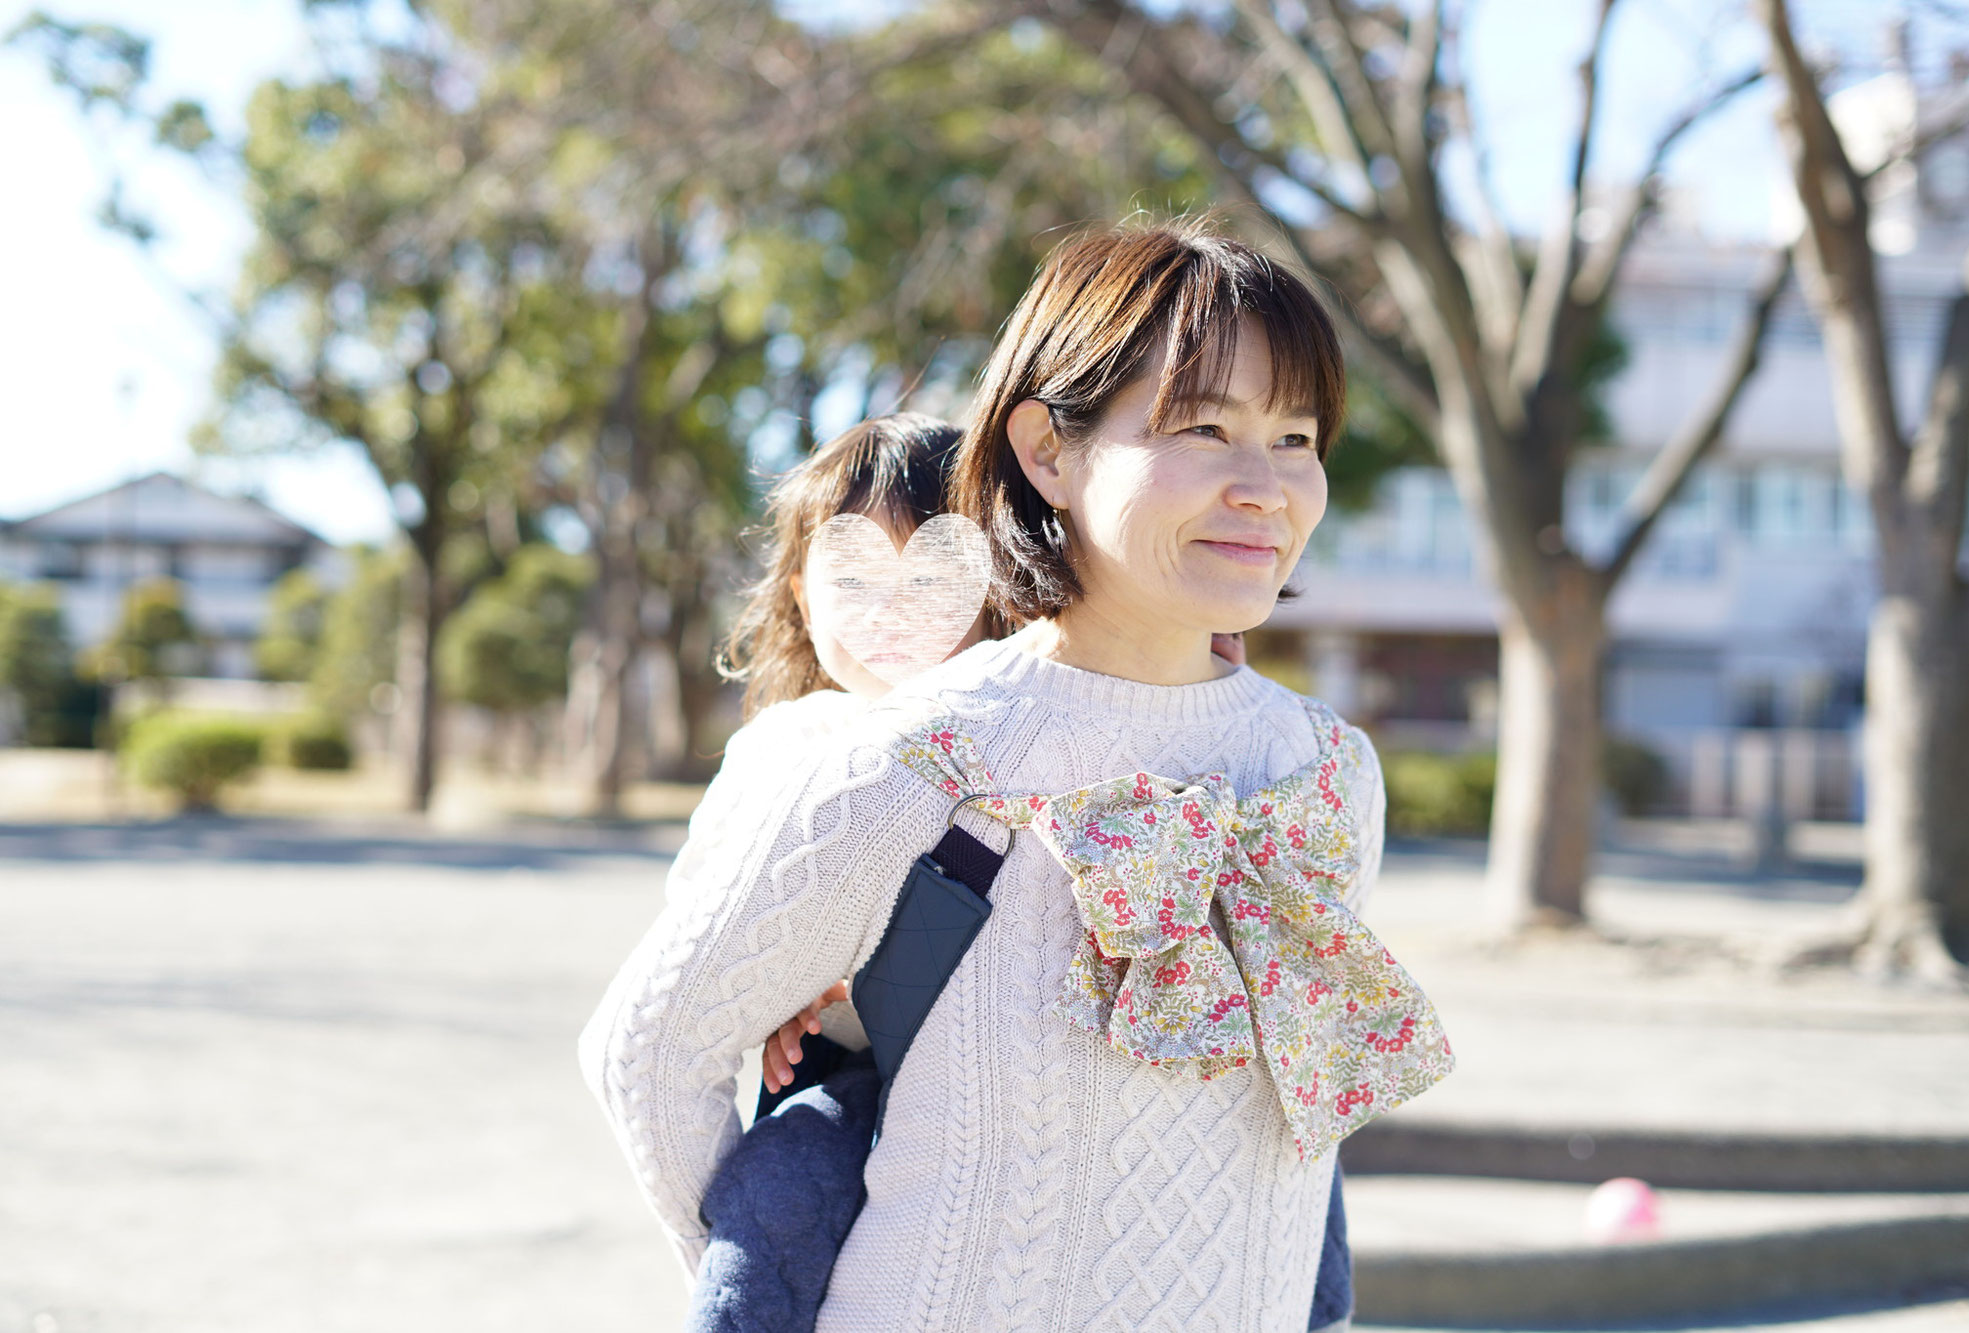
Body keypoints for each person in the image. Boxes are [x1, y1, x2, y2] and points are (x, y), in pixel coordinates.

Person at [580, 218, 1451, 1332]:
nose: (1264, 486)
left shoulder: (1326, 770)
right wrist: (768, 1285)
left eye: (1293, 438)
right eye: (1202, 428)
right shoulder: (916, 757)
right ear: (1046, 450)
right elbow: (647, 1050)